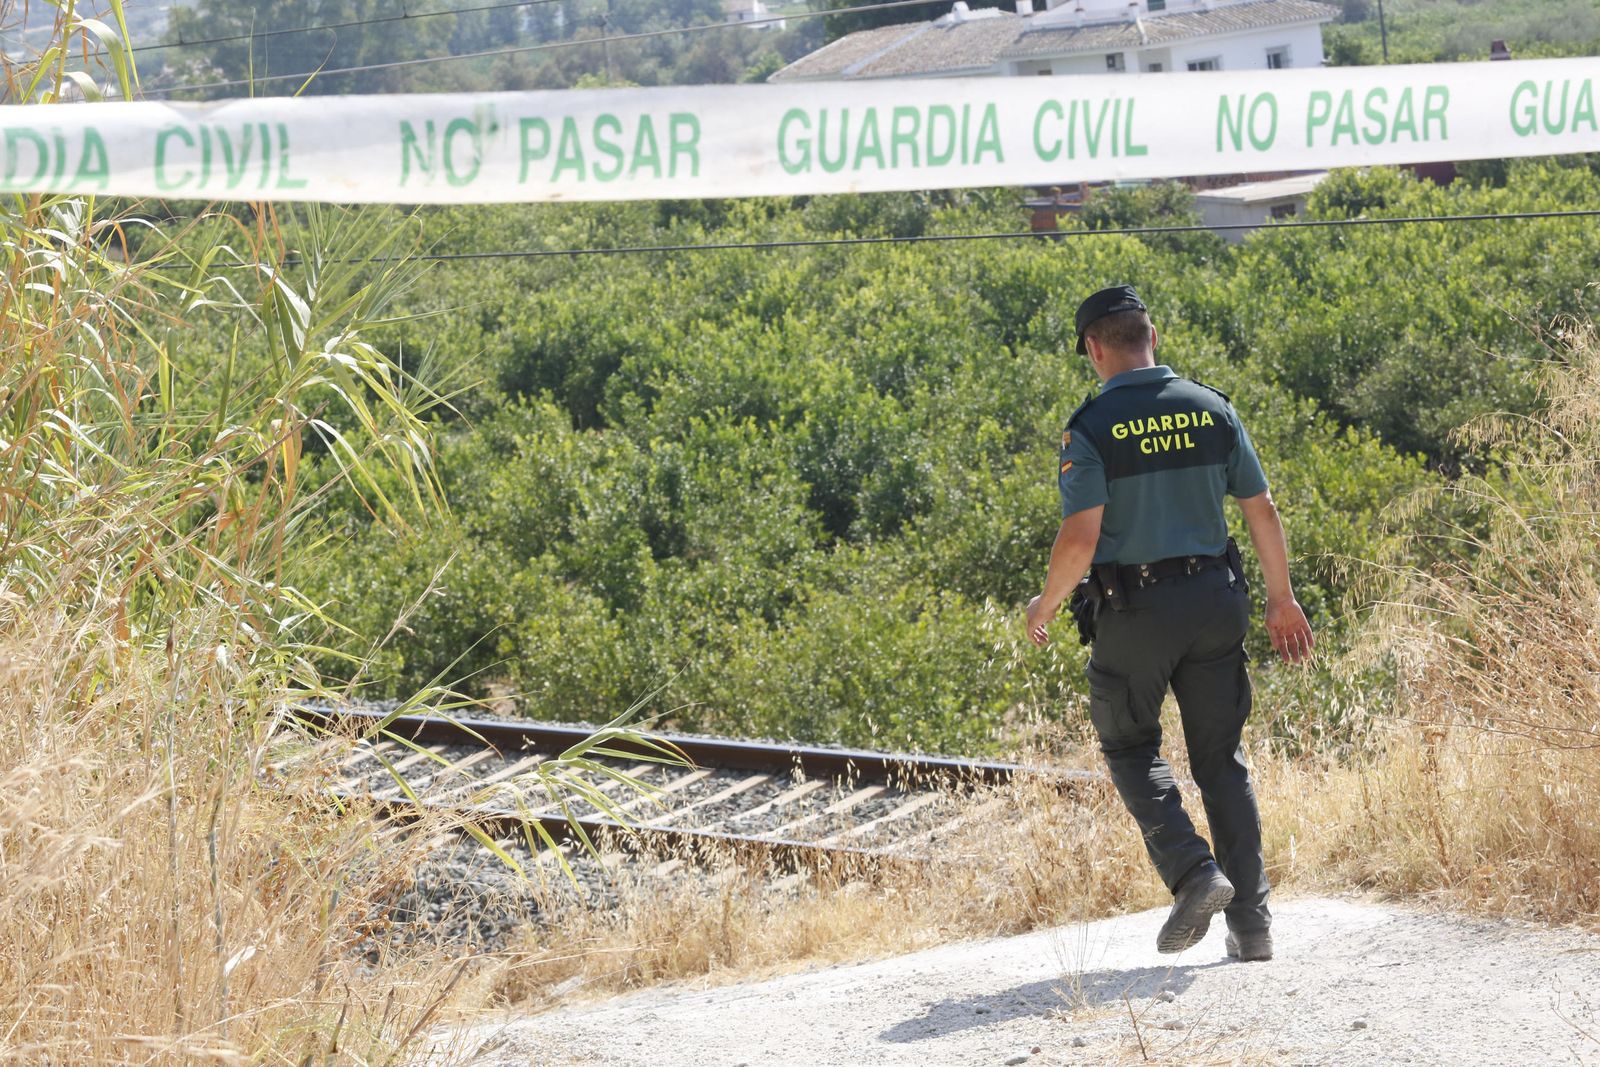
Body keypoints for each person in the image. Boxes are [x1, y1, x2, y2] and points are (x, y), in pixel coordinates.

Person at [1024, 284, 1314, 963]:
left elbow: (1080, 537)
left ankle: (1193, 872)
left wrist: (1047, 602)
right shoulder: (1212, 409)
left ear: (1094, 349)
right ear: (1152, 337)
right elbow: (1262, 508)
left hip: (1138, 610)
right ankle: (1253, 927)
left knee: (1129, 745)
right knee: (1221, 760)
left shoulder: (1091, 426)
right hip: (1216, 599)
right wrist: (1281, 597)